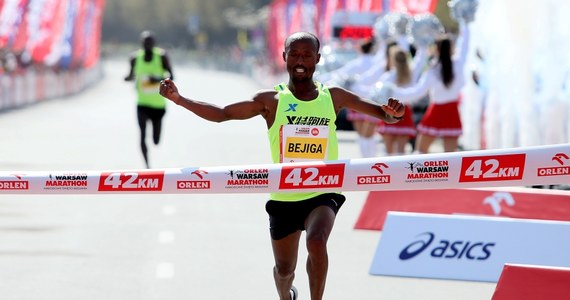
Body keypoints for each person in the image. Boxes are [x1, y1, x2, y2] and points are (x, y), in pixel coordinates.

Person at [159, 31, 404, 300]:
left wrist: (393, 113)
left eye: (307, 55)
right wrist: (179, 100)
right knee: (285, 270)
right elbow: (222, 114)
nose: (300, 60)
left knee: (316, 241)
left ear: (317, 59)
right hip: (284, 195)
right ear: (284, 56)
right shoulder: (270, 101)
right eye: (295, 54)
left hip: (324, 190)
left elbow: (384, 115)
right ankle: (286, 295)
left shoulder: (333, 96)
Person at [393, 21, 470, 153]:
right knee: (451, 157)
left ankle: (423, 174)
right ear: (451, 48)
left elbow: (417, 91)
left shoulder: (433, 69)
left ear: (437, 50)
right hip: (452, 112)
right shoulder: (457, 63)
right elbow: (464, 46)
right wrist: (466, 23)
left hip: (436, 111)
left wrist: (394, 93)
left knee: (420, 152)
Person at [316, 38, 380, 158]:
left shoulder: (356, 63)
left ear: (361, 49)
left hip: (357, 101)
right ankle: (370, 157)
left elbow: (339, 74)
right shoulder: (376, 63)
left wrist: (320, 78)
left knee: (361, 133)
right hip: (373, 101)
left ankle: (365, 157)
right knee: (370, 133)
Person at [124, 30, 174, 168]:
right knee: (142, 134)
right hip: (142, 103)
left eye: (150, 42)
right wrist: (127, 78)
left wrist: (157, 78)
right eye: (145, 42)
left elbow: (172, 76)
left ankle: (156, 138)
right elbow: (130, 75)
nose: (147, 45)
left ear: (154, 43)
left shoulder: (162, 56)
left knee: (156, 140)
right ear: (141, 43)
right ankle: (147, 167)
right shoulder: (134, 58)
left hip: (158, 104)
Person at [375, 45, 427, 155]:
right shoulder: (412, 72)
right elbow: (420, 59)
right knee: (401, 151)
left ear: (392, 59)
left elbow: (377, 92)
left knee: (388, 151)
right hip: (405, 111)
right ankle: (400, 172)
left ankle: (389, 171)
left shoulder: (388, 76)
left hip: (389, 111)